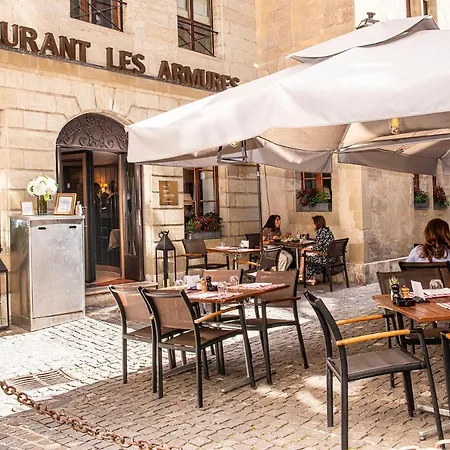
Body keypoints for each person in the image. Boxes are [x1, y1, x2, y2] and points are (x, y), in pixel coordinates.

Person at [300, 215, 335, 285]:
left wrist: (307, 249)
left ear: (317, 224)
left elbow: (318, 248)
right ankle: (309, 278)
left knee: (304, 255)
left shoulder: (320, 232)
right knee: (308, 255)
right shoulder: (328, 231)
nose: (312, 225)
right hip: (331, 257)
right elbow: (322, 246)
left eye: (313, 223)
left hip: (325, 258)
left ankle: (302, 276)